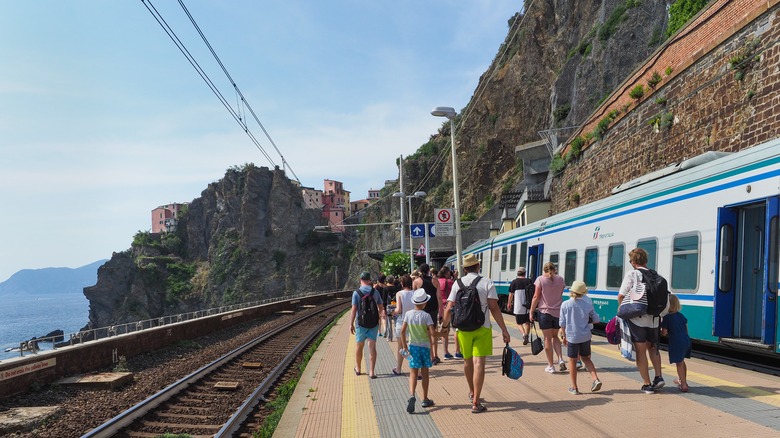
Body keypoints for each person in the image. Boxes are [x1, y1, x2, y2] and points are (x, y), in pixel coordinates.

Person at [441, 254, 511, 413]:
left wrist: (444, 328)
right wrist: (504, 330)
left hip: (463, 329)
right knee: (479, 363)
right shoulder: (487, 282)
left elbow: (449, 308)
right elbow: (494, 308)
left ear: (464, 269)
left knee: (467, 362)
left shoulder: (457, 284)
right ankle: (476, 402)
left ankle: (472, 391)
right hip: (483, 327)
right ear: (478, 266)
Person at [618, 248, 669, 394]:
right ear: (646, 260)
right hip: (653, 319)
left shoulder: (632, 274)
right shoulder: (656, 275)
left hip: (637, 319)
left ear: (633, 262)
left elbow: (621, 296)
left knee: (640, 351)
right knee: (653, 348)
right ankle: (659, 377)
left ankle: (647, 384)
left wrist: (623, 311)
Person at [559, 280, 602, 395]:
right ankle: (595, 379)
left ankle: (574, 387)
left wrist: (563, 336)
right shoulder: (587, 305)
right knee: (586, 358)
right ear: (583, 293)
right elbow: (597, 320)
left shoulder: (566, 304)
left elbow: (562, 323)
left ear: (572, 291)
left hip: (572, 336)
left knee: (572, 361)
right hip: (585, 336)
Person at [399, 288, 437, 413]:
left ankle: (412, 395)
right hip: (425, 348)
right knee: (425, 373)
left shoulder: (408, 314)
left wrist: (404, 346)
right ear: (425, 303)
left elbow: (403, 331)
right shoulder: (427, 316)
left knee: (413, 373)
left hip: (413, 347)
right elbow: (432, 333)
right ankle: (425, 399)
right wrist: (442, 334)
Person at [529, 262, 566, 373]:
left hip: (545, 312)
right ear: (554, 269)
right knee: (555, 337)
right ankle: (560, 359)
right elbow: (560, 294)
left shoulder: (540, 279)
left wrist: (531, 311)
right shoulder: (561, 280)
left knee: (547, 339)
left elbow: (536, 296)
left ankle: (551, 365)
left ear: (543, 270)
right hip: (558, 313)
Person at [349, 271, 385, 379]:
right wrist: (378, 317)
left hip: (361, 324)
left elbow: (354, 310)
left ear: (360, 280)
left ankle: (358, 368)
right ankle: (372, 372)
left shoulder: (356, 293)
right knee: (372, 347)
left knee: (359, 346)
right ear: (369, 281)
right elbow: (381, 307)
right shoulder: (375, 292)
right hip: (373, 324)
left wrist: (351, 324)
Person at [414, 263, 443, 364]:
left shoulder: (416, 282)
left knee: (424, 333)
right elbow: (439, 297)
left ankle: (428, 356)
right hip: (433, 309)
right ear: (428, 271)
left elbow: (415, 297)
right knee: (433, 332)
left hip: (422, 310)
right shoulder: (435, 281)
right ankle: (435, 355)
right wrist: (441, 312)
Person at [661, 294, 691, 392]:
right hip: (686, 340)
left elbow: (664, 333)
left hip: (676, 341)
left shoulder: (667, 318)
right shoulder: (681, 316)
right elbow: (686, 329)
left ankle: (683, 384)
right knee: (682, 361)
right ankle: (682, 380)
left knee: (679, 363)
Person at [392, 274, 416, 375]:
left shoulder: (399, 294)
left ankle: (398, 369)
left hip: (402, 322)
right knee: (413, 346)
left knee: (401, 347)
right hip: (413, 323)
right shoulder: (415, 293)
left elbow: (399, 309)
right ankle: (416, 370)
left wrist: (392, 312)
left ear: (402, 283)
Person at [438, 266, 460, 359]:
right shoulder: (451, 282)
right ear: (447, 273)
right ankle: (457, 351)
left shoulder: (438, 282)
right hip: (451, 306)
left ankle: (446, 352)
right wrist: (454, 278)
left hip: (441, 307)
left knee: (444, 329)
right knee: (456, 329)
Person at [507, 267, 532, 345]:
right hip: (528, 306)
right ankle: (527, 334)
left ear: (517, 273)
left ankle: (524, 334)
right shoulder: (529, 281)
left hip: (518, 306)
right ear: (525, 273)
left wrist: (509, 303)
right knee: (527, 322)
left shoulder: (514, 282)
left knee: (519, 323)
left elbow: (511, 294)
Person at [383, 275, 399, 340]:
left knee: (389, 322)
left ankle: (390, 337)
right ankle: (397, 335)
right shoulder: (397, 288)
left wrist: (384, 308)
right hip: (396, 306)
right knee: (396, 321)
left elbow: (384, 300)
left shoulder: (385, 289)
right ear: (393, 280)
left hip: (388, 306)